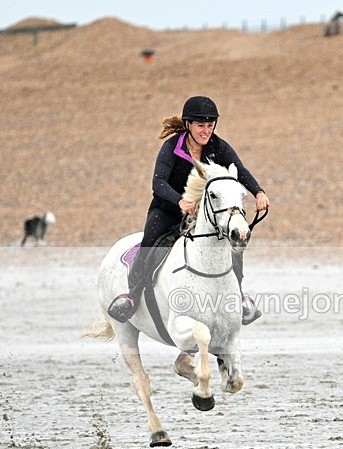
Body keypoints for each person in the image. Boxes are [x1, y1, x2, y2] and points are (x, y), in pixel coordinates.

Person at [108, 96, 270, 324]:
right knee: (150, 241)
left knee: (234, 243)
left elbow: (240, 171)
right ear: (188, 125)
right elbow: (158, 183)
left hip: (205, 214)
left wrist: (258, 192)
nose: (206, 131)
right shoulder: (171, 148)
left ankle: (240, 296)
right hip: (168, 210)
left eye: (210, 125)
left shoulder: (219, 147)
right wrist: (180, 201)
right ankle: (132, 296)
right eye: (201, 125)